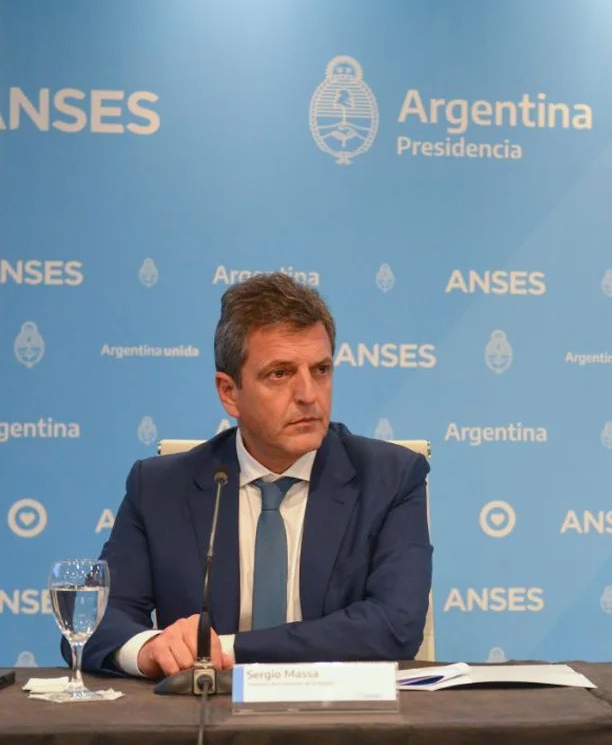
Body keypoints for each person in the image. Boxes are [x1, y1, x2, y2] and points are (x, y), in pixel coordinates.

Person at [77, 273, 433, 678]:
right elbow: (98, 622)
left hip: (341, 713)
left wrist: (223, 649)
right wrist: (150, 649)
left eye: (321, 369)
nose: (308, 395)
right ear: (229, 392)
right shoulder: (160, 488)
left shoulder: (390, 478)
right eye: (280, 373)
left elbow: (394, 625)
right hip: (202, 716)